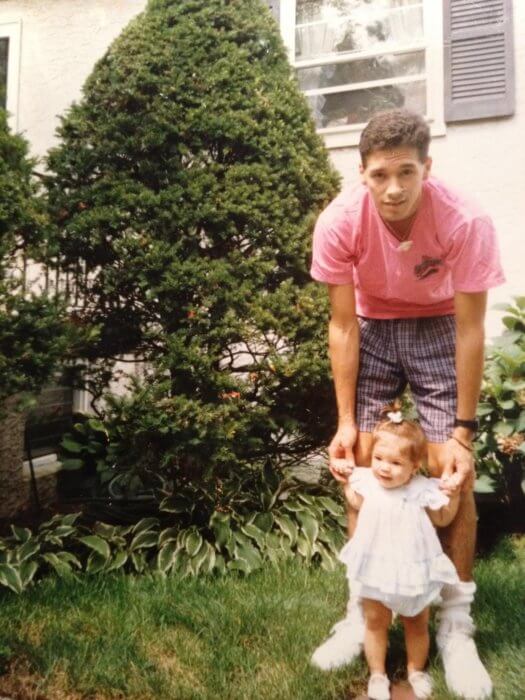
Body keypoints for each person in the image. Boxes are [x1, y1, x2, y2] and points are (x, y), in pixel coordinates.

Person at [309, 109, 504, 700]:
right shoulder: (340, 221)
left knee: (452, 474)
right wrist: (345, 423)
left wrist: (465, 433)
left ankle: (455, 623)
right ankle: (360, 610)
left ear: (427, 168)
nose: (393, 189)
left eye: (406, 173)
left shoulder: (465, 220)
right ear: (362, 173)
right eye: (379, 175)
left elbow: (472, 330)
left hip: (439, 326)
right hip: (372, 326)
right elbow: (342, 325)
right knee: (365, 470)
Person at [339, 407, 460, 699]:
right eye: (379, 459)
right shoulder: (367, 481)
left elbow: (443, 518)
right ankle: (378, 674)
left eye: (395, 462)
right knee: (375, 622)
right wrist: (345, 478)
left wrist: (453, 494)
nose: (383, 467)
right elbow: (354, 500)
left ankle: (416, 670)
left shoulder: (421, 489)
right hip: (376, 568)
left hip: (412, 568)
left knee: (416, 623)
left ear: (414, 466)